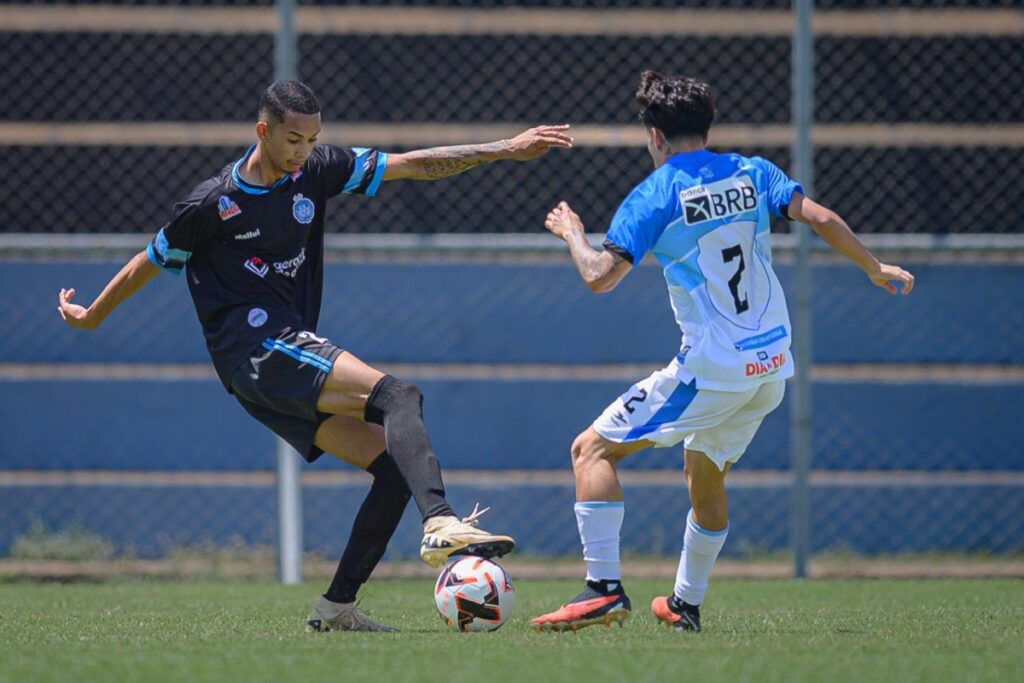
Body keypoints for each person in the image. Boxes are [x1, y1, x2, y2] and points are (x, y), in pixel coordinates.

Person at [57, 80, 574, 633]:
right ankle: (441, 522)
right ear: (264, 131)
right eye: (292, 139)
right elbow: (150, 260)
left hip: (269, 363)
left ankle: (335, 610)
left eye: (311, 139)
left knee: (395, 470)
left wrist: (501, 148)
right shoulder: (212, 203)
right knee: (399, 395)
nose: (302, 151)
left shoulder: (317, 171)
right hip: (255, 348)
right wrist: (94, 314)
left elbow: (414, 165)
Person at [531, 71, 914, 633]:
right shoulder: (753, 173)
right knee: (704, 477)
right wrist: (873, 268)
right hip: (771, 367)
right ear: (707, 128)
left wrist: (572, 232)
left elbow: (598, 277)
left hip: (712, 368)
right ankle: (685, 605)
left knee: (590, 452)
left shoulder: (657, 193)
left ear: (655, 135)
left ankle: (603, 590)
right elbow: (823, 218)